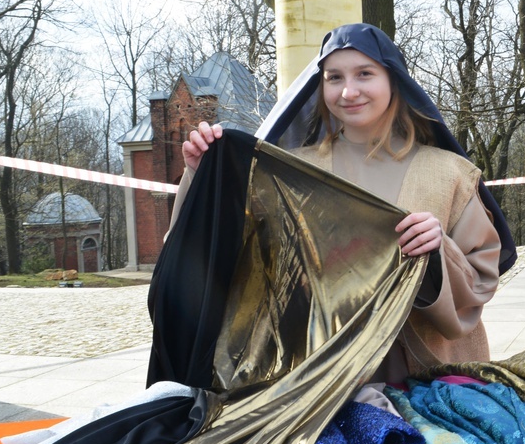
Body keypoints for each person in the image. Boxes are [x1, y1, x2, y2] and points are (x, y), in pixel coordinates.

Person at [173, 22, 507, 381]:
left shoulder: (450, 174)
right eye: (334, 78)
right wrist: (200, 176)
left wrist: (440, 250)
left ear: (393, 80)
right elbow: (223, 253)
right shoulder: (293, 171)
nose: (349, 91)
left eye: (365, 74)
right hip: (318, 381)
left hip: (430, 377)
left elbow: (480, 282)